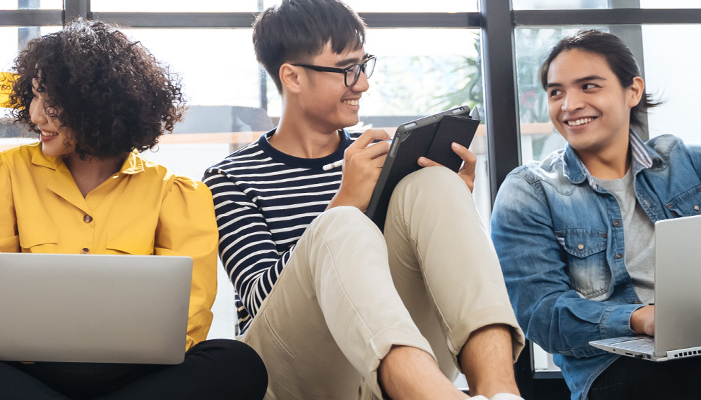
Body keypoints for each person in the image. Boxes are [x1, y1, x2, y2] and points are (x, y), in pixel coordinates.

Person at [0, 20, 268, 400]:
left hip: (137, 377)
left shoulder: (175, 193)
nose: (36, 114)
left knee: (235, 361)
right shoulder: (6, 173)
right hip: (23, 373)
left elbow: (188, 319)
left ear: (98, 104)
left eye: (51, 101)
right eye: (33, 96)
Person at [202, 1, 527, 399]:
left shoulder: (384, 158)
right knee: (342, 225)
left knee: (437, 183)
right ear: (293, 77)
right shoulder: (230, 177)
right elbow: (255, 300)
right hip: (289, 373)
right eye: (346, 70)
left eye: (363, 65)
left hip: (396, 355)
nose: (362, 85)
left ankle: (500, 391)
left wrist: (449, 209)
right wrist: (344, 202)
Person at [490, 29, 701, 400]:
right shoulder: (530, 190)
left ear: (632, 91)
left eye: (588, 86)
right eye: (556, 92)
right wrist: (641, 317)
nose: (568, 104)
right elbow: (543, 316)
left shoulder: (675, 161)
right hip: (616, 371)